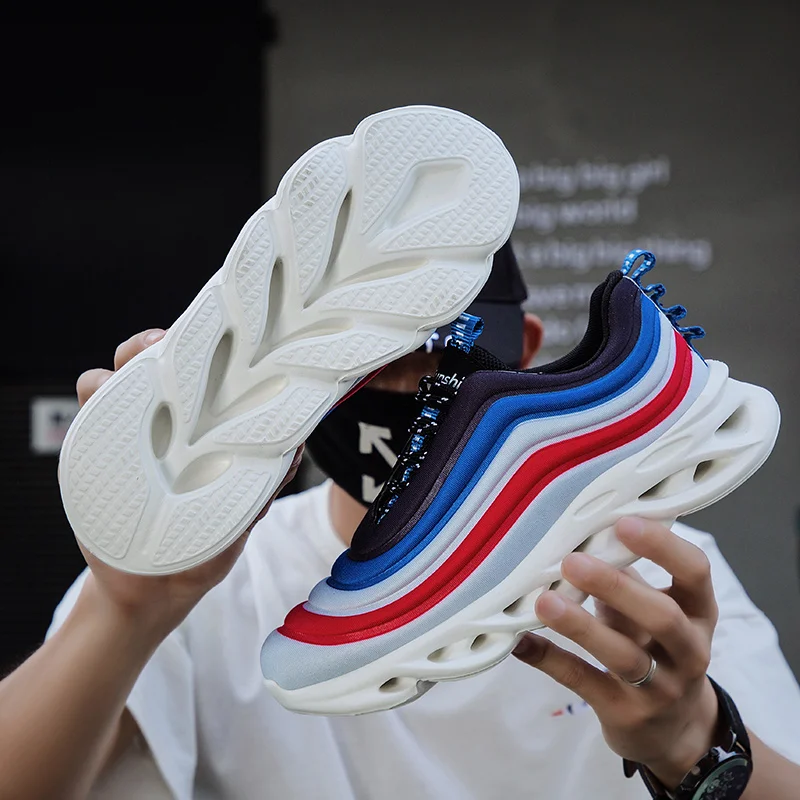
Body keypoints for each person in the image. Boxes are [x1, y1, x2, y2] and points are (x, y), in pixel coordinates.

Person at [1, 247, 799, 800]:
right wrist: (127, 611)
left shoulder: (645, 569)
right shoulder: (213, 584)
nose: (402, 389)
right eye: (366, 365)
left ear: (522, 351)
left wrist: (695, 743)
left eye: (441, 357)